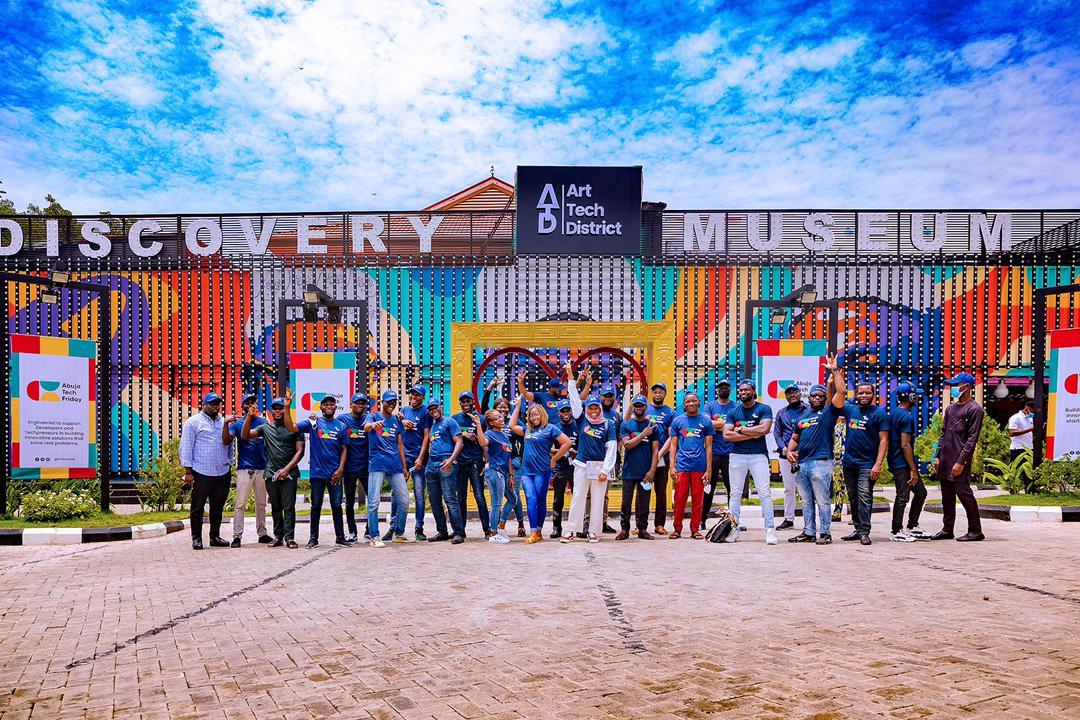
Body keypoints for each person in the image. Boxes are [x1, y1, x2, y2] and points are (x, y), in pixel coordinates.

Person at [827, 355, 889, 546]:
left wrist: (878, 464)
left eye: (867, 393)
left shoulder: (878, 413)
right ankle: (857, 528)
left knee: (864, 496)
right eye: (860, 393)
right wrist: (833, 377)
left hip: (867, 464)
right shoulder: (850, 410)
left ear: (873, 395)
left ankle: (864, 531)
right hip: (849, 462)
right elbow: (833, 402)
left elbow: (884, 439)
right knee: (853, 497)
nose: (863, 395)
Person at [283, 394, 349, 549]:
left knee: (337, 506)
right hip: (318, 473)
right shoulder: (314, 422)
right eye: (325, 404)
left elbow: (345, 449)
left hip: (335, 475)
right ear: (320, 407)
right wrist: (287, 407)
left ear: (335, 407)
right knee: (316, 506)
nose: (329, 406)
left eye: (332, 404)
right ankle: (313, 538)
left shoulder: (341, 426)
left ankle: (340, 537)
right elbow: (291, 427)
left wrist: (340, 469)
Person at [241, 396, 304, 548]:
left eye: (281, 408)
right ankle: (278, 537)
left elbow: (300, 452)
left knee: (288, 507)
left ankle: (289, 537)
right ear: (271, 411)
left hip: (289, 474)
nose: (278, 411)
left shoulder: (295, 428)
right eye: (275, 408)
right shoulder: (265, 428)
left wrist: (286, 469)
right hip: (271, 473)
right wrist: (249, 416)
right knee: (276, 507)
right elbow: (245, 435)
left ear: (286, 409)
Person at [723, 380, 779, 545]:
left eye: (747, 389)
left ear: (754, 391)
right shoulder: (733, 411)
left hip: (758, 456)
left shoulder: (763, 409)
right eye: (740, 390)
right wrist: (752, 433)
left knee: (764, 493)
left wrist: (739, 429)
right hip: (737, 455)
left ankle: (770, 531)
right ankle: (734, 530)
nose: (743, 392)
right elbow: (727, 435)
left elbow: (764, 430)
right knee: (735, 494)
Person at [509, 399, 572, 544]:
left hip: (542, 471)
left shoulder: (550, 428)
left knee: (540, 500)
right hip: (527, 471)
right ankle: (533, 532)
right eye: (531, 415)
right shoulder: (527, 429)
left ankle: (539, 531)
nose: (534, 417)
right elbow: (512, 425)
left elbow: (567, 443)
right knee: (531, 498)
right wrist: (518, 405)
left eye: (536, 415)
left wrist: (555, 458)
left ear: (542, 415)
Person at [933, 373, 986, 542]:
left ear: (967, 387)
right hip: (945, 458)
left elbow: (972, 439)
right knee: (947, 496)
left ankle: (975, 531)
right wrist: (936, 456)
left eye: (957, 384)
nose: (954, 388)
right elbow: (943, 434)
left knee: (964, 494)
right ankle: (947, 529)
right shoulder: (950, 409)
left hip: (959, 460)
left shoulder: (975, 409)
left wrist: (961, 461)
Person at [785, 383, 840, 544]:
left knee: (822, 500)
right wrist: (789, 452)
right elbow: (794, 439)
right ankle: (809, 532)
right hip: (802, 464)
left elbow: (839, 394)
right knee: (806, 501)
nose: (816, 398)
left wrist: (831, 382)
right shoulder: (802, 418)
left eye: (820, 396)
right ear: (808, 398)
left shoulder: (828, 413)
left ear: (825, 399)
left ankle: (825, 533)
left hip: (821, 463)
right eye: (813, 395)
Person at [179, 392, 234, 550]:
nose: (215, 406)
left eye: (218, 403)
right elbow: (186, 447)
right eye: (212, 403)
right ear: (204, 405)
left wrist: (230, 461)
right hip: (201, 472)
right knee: (198, 507)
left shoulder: (224, 422)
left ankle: (214, 537)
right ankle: (196, 538)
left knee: (217, 507)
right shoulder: (193, 422)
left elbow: (230, 443)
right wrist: (188, 472)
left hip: (222, 472)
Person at [562, 391, 618, 543]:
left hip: (599, 468)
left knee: (598, 499)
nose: (593, 412)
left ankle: (593, 531)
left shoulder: (608, 425)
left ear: (600, 409)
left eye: (596, 408)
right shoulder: (581, 420)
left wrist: (605, 470)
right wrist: (571, 381)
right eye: (590, 408)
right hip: (581, 464)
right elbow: (574, 401)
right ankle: (571, 530)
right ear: (586, 409)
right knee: (577, 497)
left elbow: (611, 449)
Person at [362, 390, 412, 547]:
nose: (391, 405)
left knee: (404, 500)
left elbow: (399, 444)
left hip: (395, 466)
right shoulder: (373, 416)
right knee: (373, 501)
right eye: (388, 402)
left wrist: (404, 467)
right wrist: (372, 425)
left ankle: (399, 533)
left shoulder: (397, 421)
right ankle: (374, 537)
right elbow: (366, 427)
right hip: (377, 464)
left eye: (394, 402)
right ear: (382, 402)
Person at [222, 393, 272, 547]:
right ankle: (237, 536)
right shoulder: (237, 423)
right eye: (247, 402)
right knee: (240, 504)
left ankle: (262, 533)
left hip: (261, 467)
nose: (250, 405)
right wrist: (225, 424)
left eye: (252, 402)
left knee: (261, 503)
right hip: (244, 467)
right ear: (242, 405)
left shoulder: (264, 422)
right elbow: (226, 440)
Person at [667, 392, 714, 539]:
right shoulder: (678, 421)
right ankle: (677, 529)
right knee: (680, 499)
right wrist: (672, 466)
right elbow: (673, 445)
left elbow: (709, 447)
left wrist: (708, 469)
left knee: (698, 500)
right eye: (688, 401)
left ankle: (695, 529)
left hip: (699, 467)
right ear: (684, 404)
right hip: (682, 466)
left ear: (699, 403)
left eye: (694, 401)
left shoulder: (706, 422)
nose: (691, 404)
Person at [888, 382, 929, 542]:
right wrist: (913, 469)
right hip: (901, 464)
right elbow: (905, 444)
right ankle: (896, 531)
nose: (917, 398)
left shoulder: (894, 413)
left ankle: (912, 526)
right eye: (915, 395)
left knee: (920, 492)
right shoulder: (906, 417)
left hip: (896, 461)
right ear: (910, 397)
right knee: (903, 496)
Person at [423, 399, 467, 544]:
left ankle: (459, 532)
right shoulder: (433, 426)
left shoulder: (450, 422)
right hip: (432, 464)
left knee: (450, 499)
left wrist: (451, 459)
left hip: (446, 462)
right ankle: (442, 531)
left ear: (441, 408)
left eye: (435, 407)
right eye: (430, 409)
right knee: (434, 500)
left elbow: (459, 442)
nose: (433, 411)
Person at [617, 394, 658, 539]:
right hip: (629, 470)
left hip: (645, 471)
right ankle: (624, 530)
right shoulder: (626, 425)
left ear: (646, 407)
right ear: (632, 407)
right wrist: (643, 435)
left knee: (644, 503)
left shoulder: (653, 426)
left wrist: (652, 470)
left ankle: (642, 530)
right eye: (636, 406)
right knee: (626, 502)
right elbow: (627, 445)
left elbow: (655, 450)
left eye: (641, 406)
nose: (639, 408)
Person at [394, 384, 432, 542]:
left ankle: (419, 528)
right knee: (397, 494)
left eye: (417, 395)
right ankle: (394, 528)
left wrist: (421, 458)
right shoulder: (403, 411)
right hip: (404, 458)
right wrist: (401, 424)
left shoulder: (425, 412)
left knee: (419, 495)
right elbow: (397, 435)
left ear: (423, 397)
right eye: (412, 394)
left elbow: (426, 437)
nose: (414, 397)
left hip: (418, 459)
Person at [453, 391, 491, 538]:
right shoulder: (455, 419)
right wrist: (463, 434)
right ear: (460, 403)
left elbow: (485, 442)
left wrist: (487, 460)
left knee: (479, 496)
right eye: (462, 401)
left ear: (473, 401)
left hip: (476, 462)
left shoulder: (480, 419)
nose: (465, 403)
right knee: (461, 498)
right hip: (461, 463)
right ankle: (461, 530)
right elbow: (451, 435)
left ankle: (487, 530)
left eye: (468, 400)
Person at [772, 385, 809, 531]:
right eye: (789, 393)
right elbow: (777, 434)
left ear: (800, 394)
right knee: (789, 489)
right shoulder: (782, 413)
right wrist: (786, 450)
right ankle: (789, 519)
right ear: (786, 397)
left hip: (806, 455)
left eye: (795, 392)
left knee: (808, 489)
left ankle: (809, 520)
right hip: (786, 456)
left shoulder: (809, 410)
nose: (792, 395)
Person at [490, 395, 527, 538]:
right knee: (499, 498)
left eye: (505, 406)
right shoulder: (492, 425)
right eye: (500, 406)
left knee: (515, 495)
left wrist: (521, 457)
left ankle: (519, 523)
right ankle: (496, 527)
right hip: (498, 465)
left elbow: (524, 437)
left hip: (514, 464)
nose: (503, 409)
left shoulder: (513, 422)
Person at [642, 382, 677, 535]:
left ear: (665, 394)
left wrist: (661, 453)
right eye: (655, 391)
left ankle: (659, 524)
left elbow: (672, 436)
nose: (657, 393)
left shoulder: (670, 412)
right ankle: (640, 524)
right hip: (644, 456)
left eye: (660, 391)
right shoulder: (644, 408)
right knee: (643, 490)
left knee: (661, 492)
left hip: (662, 456)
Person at [701, 379, 736, 527]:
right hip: (712, 454)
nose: (724, 389)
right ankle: (702, 520)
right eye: (721, 387)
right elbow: (708, 424)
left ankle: (733, 520)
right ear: (717, 390)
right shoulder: (710, 406)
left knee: (732, 489)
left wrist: (720, 426)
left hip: (731, 453)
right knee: (708, 488)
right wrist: (729, 425)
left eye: (726, 387)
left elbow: (738, 424)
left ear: (730, 389)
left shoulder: (735, 406)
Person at [337, 392, 370, 543]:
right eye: (358, 403)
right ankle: (352, 532)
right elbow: (329, 424)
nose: (360, 405)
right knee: (349, 501)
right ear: (352, 405)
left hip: (366, 467)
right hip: (349, 468)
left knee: (373, 500)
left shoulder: (368, 419)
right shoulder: (343, 419)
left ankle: (370, 530)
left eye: (363, 403)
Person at [484, 409, 514, 544]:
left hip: (505, 473)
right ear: (491, 422)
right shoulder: (489, 434)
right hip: (495, 471)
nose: (501, 419)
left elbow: (508, 457)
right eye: (497, 418)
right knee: (496, 503)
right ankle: (494, 533)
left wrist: (511, 475)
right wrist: (478, 425)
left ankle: (501, 526)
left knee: (513, 499)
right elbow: (483, 443)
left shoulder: (504, 435)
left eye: (501, 417)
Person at [550, 398, 579, 538]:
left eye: (568, 410)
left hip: (577, 467)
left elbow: (583, 447)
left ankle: (578, 528)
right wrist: (563, 452)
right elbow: (549, 448)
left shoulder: (578, 426)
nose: (566, 413)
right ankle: (556, 528)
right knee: (558, 499)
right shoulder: (554, 427)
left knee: (578, 498)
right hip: (560, 467)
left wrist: (576, 454)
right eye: (563, 411)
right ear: (559, 412)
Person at [1008, 401, 1035, 490]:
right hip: (1017, 449)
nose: (1033, 413)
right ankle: (1014, 490)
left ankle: (1029, 490)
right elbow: (1012, 433)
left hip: (1029, 448)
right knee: (1017, 471)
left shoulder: (1030, 418)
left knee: (1028, 471)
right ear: (1027, 408)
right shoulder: (1015, 418)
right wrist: (1029, 430)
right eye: (1032, 410)